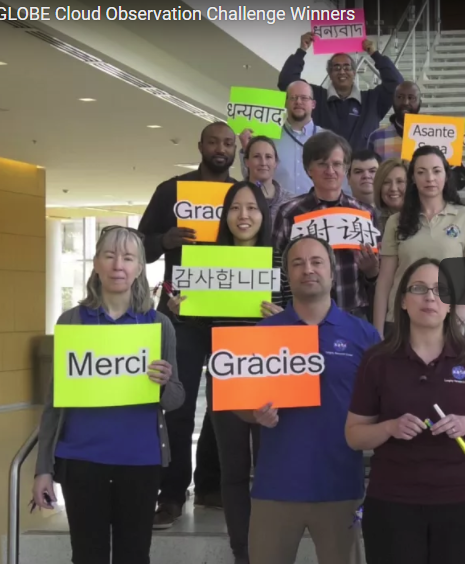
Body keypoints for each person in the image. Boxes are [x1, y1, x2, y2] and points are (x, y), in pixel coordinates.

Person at [32, 226, 185, 564]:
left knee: (134, 556)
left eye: (128, 257)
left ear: (139, 268)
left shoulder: (159, 324)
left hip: (141, 461)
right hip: (81, 461)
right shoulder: (72, 322)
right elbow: (54, 404)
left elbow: (175, 399)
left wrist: (162, 383)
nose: (118, 264)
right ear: (96, 265)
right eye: (109, 255)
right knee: (87, 556)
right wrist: (43, 468)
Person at [346, 258, 465, 564]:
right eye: (419, 288)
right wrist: (389, 428)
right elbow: (354, 435)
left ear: (450, 305)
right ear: (403, 301)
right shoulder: (377, 360)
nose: (430, 297)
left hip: (463, 503)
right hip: (393, 503)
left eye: (440, 290)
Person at [240, 235, 380, 564]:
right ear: (287, 275)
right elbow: (239, 404)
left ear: (332, 272)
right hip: (275, 487)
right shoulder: (262, 334)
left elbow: (381, 403)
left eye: (316, 262)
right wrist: (254, 413)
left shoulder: (364, 336)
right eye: (298, 263)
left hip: (340, 487)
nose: (308, 269)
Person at [167, 181, 287, 564]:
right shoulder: (207, 262)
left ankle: (272, 550)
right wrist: (180, 308)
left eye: (252, 208)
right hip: (225, 375)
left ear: (263, 215)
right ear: (225, 215)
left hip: (271, 375)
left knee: (271, 470)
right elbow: (203, 326)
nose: (244, 215)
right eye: (236, 208)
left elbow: (301, 325)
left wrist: (285, 321)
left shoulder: (280, 263)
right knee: (233, 471)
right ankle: (243, 552)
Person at [138, 121, 236, 527]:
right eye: (213, 141)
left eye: (228, 143)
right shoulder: (171, 190)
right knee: (177, 405)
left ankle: (212, 486)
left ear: (235, 150)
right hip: (182, 314)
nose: (221, 148)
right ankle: (172, 493)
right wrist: (164, 241)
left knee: (225, 406)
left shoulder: (242, 194)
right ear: (200, 145)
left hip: (232, 314)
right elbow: (140, 243)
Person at [373, 146, 465, 336]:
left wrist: (460, 314)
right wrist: (377, 331)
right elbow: (384, 281)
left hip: (447, 320)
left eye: (436, 171)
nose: (430, 178)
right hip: (401, 322)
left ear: (446, 175)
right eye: (421, 172)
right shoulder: (396, 222)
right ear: (413, 179)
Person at [272, 131, 379, 320]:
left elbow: (378, 277)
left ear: (346, 168)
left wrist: (372, 272)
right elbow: (278, 267)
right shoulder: (289, 213)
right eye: (322, 164)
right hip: (303, 315)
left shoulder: (365, 213)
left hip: (353, 314)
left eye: (337, 164)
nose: (330, 171)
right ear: (308, 169)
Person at [278, 32, 404, 150]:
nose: (342, 71)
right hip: (325, 172)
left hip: (363, 172)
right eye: (336, 67)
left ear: (354, 73)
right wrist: (301, 50)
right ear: (329, 73)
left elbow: (397, 84)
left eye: (347, 67)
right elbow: (287, 81)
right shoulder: (316, 97)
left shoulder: (373, 100)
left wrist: (375, 54)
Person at [240, 80, 326, 198]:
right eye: (293, 98)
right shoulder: (269, 139)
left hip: (316, 211)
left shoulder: (327, 139)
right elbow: (253, 179)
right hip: (278, 212)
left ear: (313, 104)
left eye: (304, 98)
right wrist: (247, 150)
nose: (298, 102)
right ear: (285, 103)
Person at [241, 135, 296, 221]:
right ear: (246, 162)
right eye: (256, 156)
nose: (263, 162)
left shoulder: (291, 201)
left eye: (268, 157)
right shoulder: (236, 197)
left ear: (276, 162)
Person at [367, 80, 421, 161]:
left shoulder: (433, 135)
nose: (405, 102)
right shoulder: (376, 137)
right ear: (393, 101)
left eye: (411, 98)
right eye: (400, 97)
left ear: (419, 103)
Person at [373, 158, 408, 240]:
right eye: (386, 182)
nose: (393, 188)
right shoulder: (371, 223)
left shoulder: (423, 221)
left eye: (400, 181)